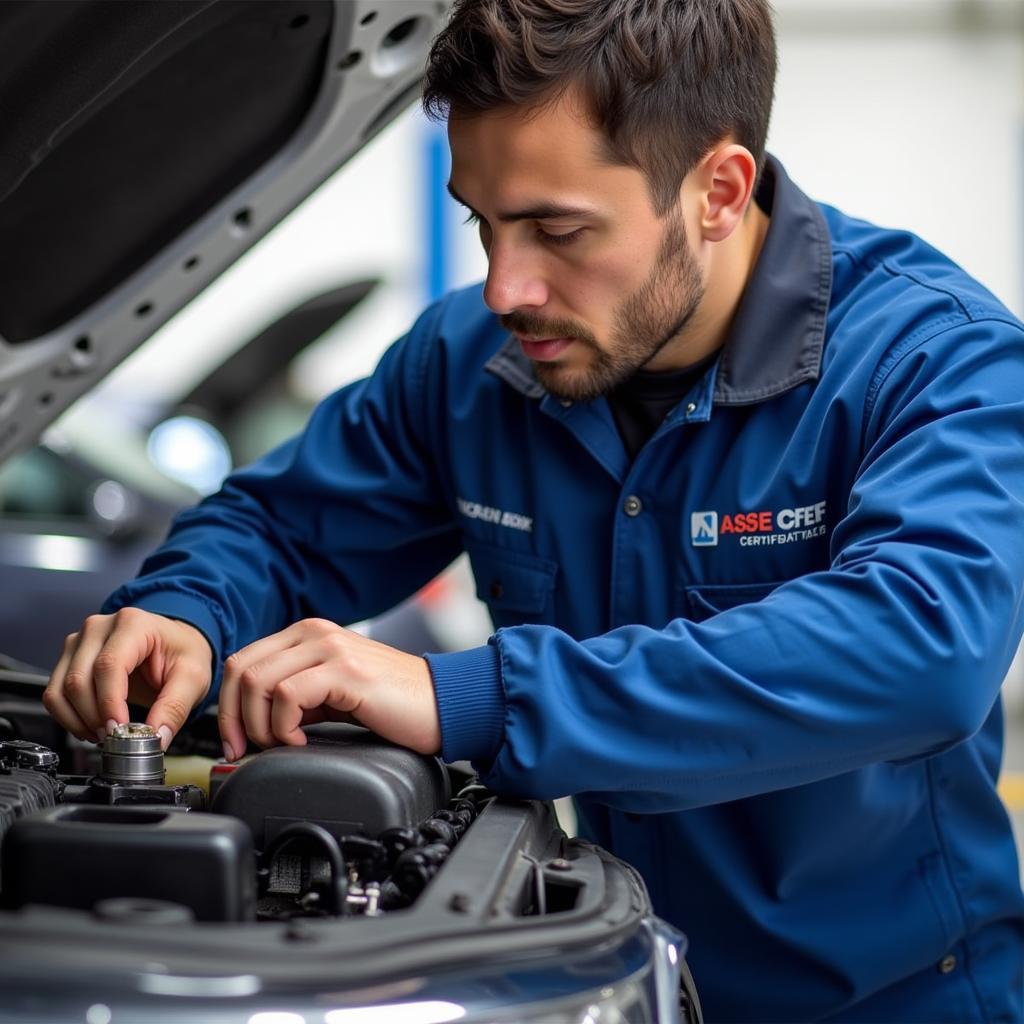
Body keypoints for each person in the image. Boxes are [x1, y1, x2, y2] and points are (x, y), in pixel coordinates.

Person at [42, 1, 1024, 1019]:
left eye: (556, 229)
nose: (505, 286)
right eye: (484, 222)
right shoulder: (467, 364)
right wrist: (186, 611)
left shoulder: (935, 360)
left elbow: (923, 645)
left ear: (718, 192)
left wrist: (476, 697)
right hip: (610, 978)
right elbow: (279, 527)